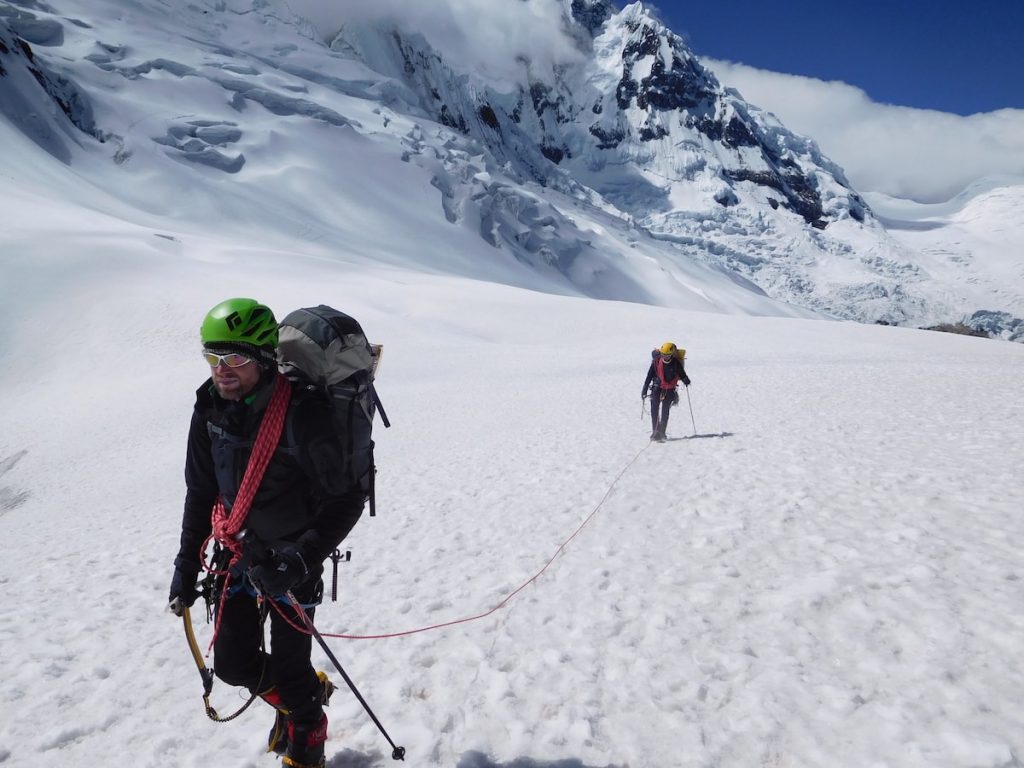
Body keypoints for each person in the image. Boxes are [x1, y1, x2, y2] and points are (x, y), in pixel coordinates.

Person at [168, 298, 366, 768]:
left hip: (293, 561)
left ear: (261, 357)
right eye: (213, 357)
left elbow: (346, 498)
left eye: (234, 357)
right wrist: (184, 568)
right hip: (237, 554)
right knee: (234, 664)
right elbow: (200, 492)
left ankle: (306, 735)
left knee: (292, 672)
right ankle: (304, 700)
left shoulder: (305, 415)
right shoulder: (209, 410)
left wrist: (300, 559)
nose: (222, 369)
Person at [642, 341, 690, 441]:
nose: (665, 357)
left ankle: (662, 432)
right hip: (657, 387)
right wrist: (644, 389)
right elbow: (649, 376)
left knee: (665, 411)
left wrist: (686, 379)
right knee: (654, 409)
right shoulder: (656, 362)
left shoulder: (676, 363)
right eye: (663, 355)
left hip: (670, 389)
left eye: (667, 355)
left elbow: (682, 374)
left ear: (672, 354)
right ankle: (655, 432)